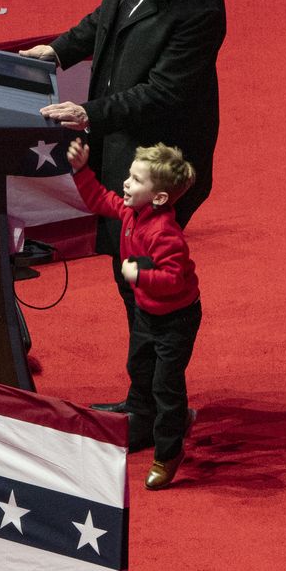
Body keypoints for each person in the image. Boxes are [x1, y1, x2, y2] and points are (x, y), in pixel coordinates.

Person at [20, 0, 225, 414]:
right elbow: (111, 15)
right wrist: (62, 48)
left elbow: (163, 94)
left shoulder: (201, 5)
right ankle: (150, 401)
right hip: (123, 146)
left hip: (163, 164)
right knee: (127, 275)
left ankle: (152, 409)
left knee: (150, 285)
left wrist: (87, 113)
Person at [66, 137, 201, 489]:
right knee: (140, 366)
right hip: (147, 311)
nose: (126, 183)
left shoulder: (165, 233)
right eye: (130, 176)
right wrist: (81, 170)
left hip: (176, 320)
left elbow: (172, 279)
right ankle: (159, 420)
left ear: (159, 198)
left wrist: (139, 275)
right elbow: (99, 199)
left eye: (136, 180)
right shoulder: (131, 210)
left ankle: (168, 452)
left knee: (165, 384)